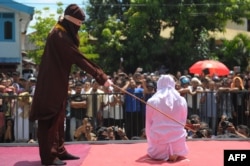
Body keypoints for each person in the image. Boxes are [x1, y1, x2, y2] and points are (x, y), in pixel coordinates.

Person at [29, 4, 112, 165]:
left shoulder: (61, 32)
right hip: (50, 85)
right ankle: (49, 157)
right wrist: (101, 77)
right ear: (72, 23)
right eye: (78, 25)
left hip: (57, 84)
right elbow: (78, 58)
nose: (78, 30)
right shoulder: (59, 36)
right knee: (49, 121)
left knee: (59, 119)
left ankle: (60, 151)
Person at [146, 75, 188, 162]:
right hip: (178, 143)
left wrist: (151, 142)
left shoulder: (152, 101)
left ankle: (163, 152)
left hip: (158, 144)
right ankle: (175, 151)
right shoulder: (182, 100)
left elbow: (148, 124)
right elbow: (183, 121)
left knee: (154, 151)